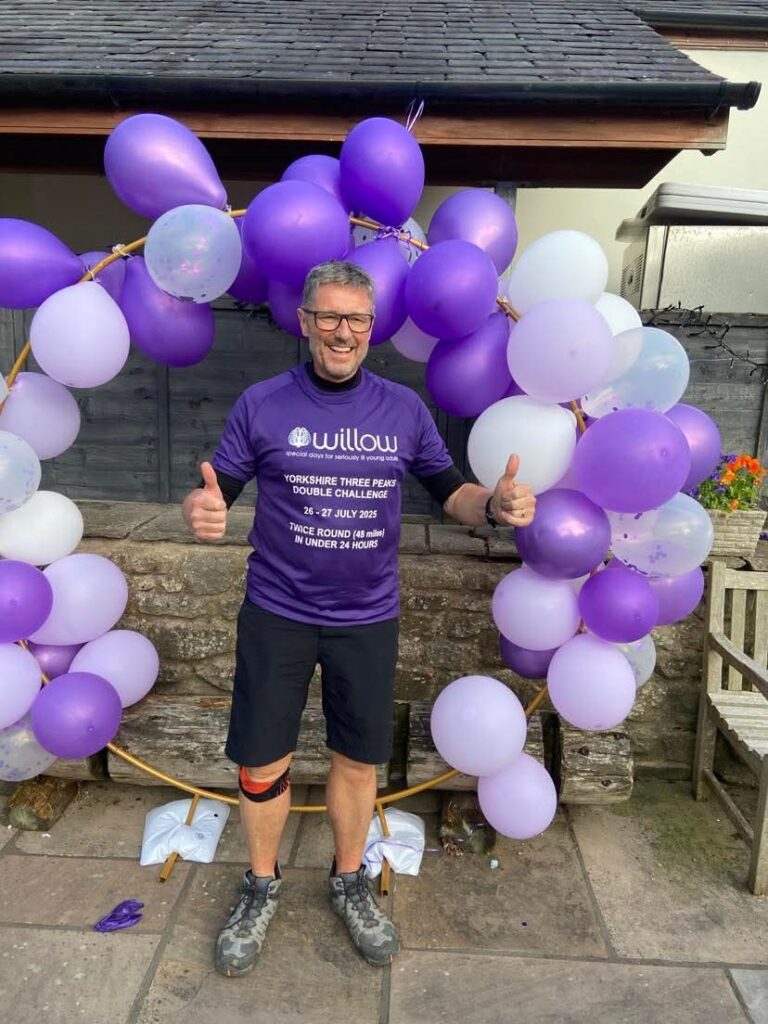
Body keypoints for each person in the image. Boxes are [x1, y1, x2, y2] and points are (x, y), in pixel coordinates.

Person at [182, 260, 536, 977]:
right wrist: (202, 509)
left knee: (356, 759)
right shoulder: (262, 403)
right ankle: (260, 885)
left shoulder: (401, 409)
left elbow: (451, 493)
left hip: (367, 618)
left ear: (371, 328)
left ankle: (349, 880)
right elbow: (219, 490)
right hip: (277, 612)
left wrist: (495, 507)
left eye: (357, 319)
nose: (342, 332)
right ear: (305, 321)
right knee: (262, 760)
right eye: (329, 316)